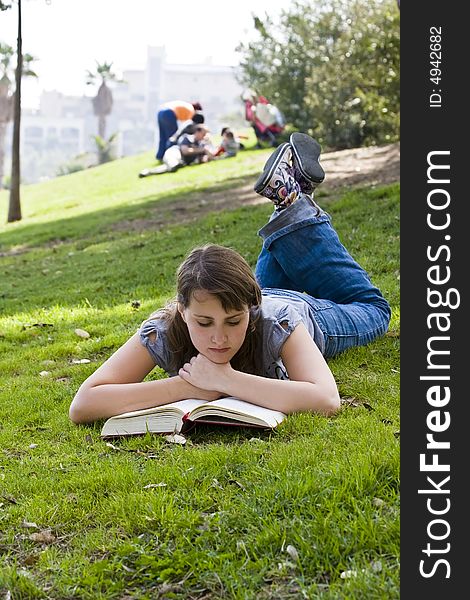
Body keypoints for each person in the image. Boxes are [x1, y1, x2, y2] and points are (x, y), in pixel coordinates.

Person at [70, 132, 391, 424]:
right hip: (252, 292)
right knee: (277, 261)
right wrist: (187, 385)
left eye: (233, 322)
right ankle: (292, 197)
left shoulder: (276, 321)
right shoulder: (166, 329)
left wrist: (225, 380)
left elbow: (324, 399)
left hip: (299, 311)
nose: (219, 339)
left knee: (376, 310)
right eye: (204, 323)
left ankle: (294, 202)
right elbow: (84, 404)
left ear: (250, 310)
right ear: (182, 310)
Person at [139, 124, 215, 177]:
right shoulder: (187, 138)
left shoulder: (202, 144)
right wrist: (202, 150)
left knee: (168, 167)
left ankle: (148, 172)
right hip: (174, 153)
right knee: (173, 163)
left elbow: (210, 157)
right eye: (203, 133)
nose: (204, 136)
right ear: (197, 132)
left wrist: (208, 145)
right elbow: (185, 151)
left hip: (182, 161)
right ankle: (173, 165)